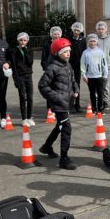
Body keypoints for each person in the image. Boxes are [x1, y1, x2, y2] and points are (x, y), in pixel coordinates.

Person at [38, 38, 79, 170]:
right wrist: (57, 97)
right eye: (65, 51)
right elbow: (42, 86)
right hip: (58, 104)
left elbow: (73, 79)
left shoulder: (68, 65)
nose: (68, 54)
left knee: (60, 126)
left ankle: (46, 146)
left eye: (69, 51)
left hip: (67, 102)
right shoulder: (52, 67)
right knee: (66, 129)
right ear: (57, 52)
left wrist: (75, 89)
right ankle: (64, 159)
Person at [8, 32, 35, 126]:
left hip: (28, 76)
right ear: (18, 40)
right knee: (23, 97)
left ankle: (29, 117)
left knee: (30, 97)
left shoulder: (29, 50)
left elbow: (30, 62)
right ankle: (24, 119)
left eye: (24, 40)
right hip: (20, 76)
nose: (23, 42)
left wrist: (25, 50)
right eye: (21, 40)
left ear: (27, 41)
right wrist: (15, 79)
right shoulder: (14, 51)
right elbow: (13, 64)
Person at [80, 33, 108, 115]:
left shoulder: (100, 52)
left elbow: (104, 64)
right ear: (88, 42)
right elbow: (83, 65)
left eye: (94, 41)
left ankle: (101, 109)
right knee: (92, 93)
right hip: (90, 77)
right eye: (90, 41)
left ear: (96, 42)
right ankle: (94, 109)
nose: (92, 43)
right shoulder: (85, 53)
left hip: (99, 76)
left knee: (100, 93)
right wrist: (84, 75)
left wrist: (105, 75)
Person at [95, 21, 110, 111]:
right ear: (96, 30)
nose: (101, 31)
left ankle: (105, 101)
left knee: (106, 84)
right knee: (96, 84)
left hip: (107, 65)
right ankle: (97, 100)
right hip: (96, 65)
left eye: (102, 29)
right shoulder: (94, 39)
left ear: (106, 29)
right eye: (99, 29)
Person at [68, 22, 86, 112]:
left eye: (78, 30)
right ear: (72, 30)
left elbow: (85, 52)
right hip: (70, 65)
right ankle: (71, 105)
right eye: (75, 30)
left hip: (79, 65)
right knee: (70, 84)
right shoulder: (68, 40)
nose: (76, 31)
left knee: (77, 84)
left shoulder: (83, 40)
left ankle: (77, 105)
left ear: (80, 31)